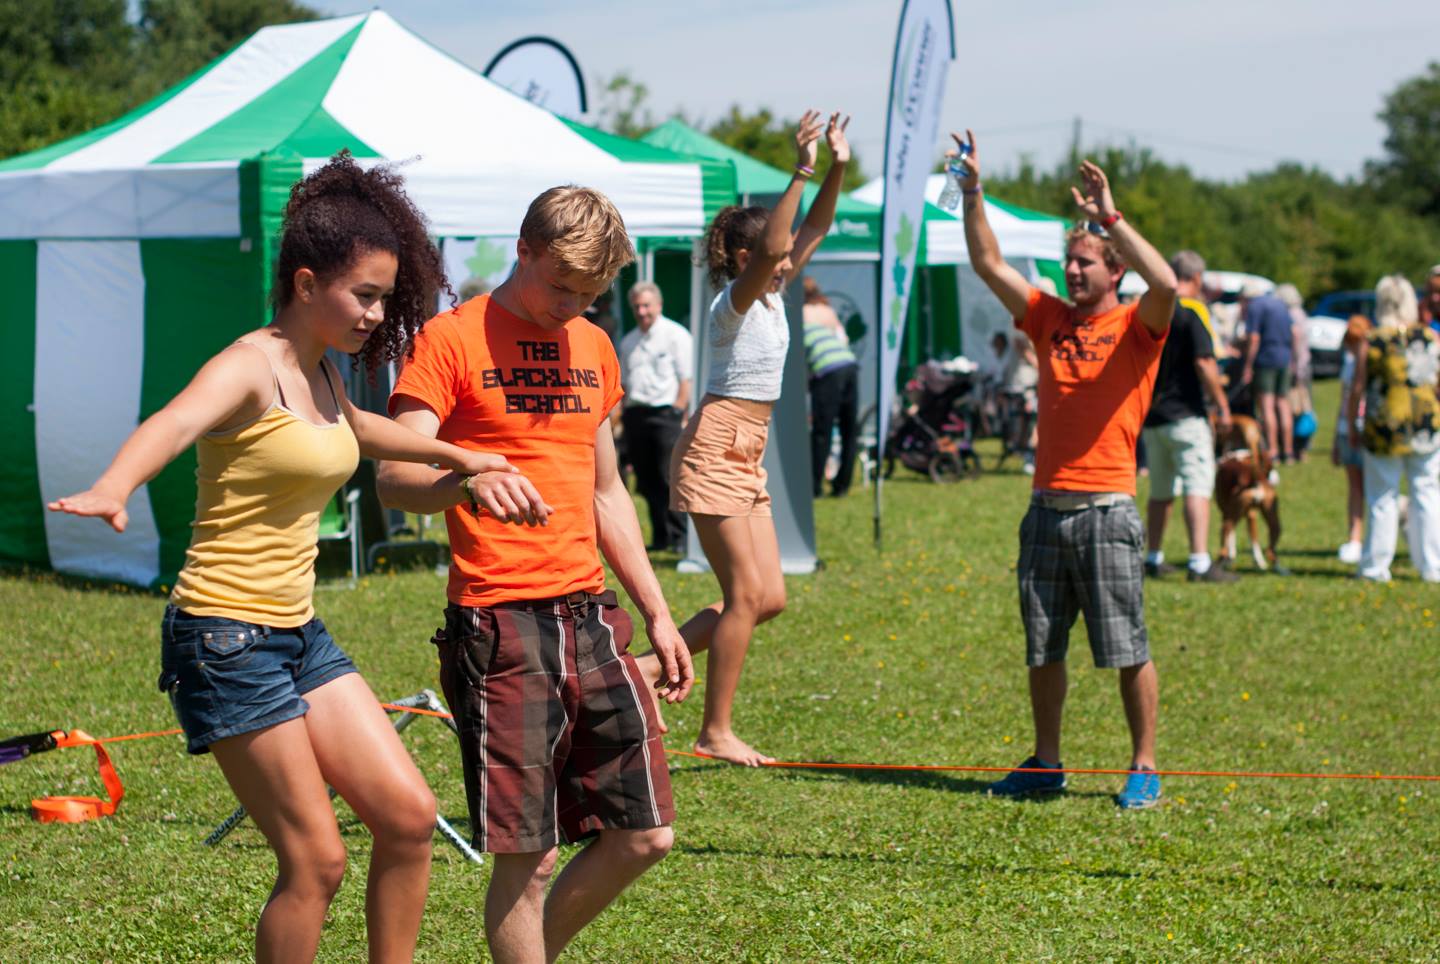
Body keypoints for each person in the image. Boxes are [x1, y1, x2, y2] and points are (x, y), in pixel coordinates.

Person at [47, 153, 527, 962]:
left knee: (410, 822)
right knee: (316, 860)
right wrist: (114, 484)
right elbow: (172, 421)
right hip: (223, 641)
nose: (377, 313)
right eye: (364, 295)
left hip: (297, 633)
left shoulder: (323, 371)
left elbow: (362, 434)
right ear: (307, 285)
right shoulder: (249, 365)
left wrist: (464, 459)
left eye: (384, 296)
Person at [375, 185, 694, 964]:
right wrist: (466, 479)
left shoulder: (594, 346)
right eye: (562, 286)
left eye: (591, 294)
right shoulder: (452, 340)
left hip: (591, 613)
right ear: (523, 249)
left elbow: (608, 491)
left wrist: (655, 611)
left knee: (647, 834)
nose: (573, 306)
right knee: (531, 856)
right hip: (500, 622)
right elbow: (390, 477)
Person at [955, 128, 1176, 810]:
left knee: (1126, 646)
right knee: (1042, 647)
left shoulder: (1141, 327)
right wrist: (973, 192)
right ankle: (1046, 764)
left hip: (1108, 511)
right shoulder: (1048, 319)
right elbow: (989, 261)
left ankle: (1143, 765)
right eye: (1070, 261)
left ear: (1114, 270)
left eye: (1086, 263)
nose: (1073, 271)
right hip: (1045, 509)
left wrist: (1111, 216)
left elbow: (1167, 279)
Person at [636, 110, 850, 766]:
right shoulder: (734, 299)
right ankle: (715, 731)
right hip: (716, 445)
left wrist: (837, 166)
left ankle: (641, 671)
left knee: (769, 598)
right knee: (744, 597)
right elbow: (780, 244)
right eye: (775, 253)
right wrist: (800, 170)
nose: (790, 259)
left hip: (747, 449)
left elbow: (811, 227)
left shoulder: (774, 292)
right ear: (743, 257)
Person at [1142, 250, 1237, 583]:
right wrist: (1222, 405)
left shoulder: (1150, 309)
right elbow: (1204, 362)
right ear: (1196, 279)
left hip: (1153, 415)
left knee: (1160, 491)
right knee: (1197, 485)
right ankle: (1198, 560)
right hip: (1186, 413)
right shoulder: (1192, 311)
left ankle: (1152, 556)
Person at [1345, 274, 1440, 583]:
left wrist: (1350, 423)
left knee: (1382, 497)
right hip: (1425, 425)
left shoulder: (1372, 340)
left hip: (1384, 425)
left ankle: (1375, 566)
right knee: (1427, 493)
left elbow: (1357, 388)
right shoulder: (1428, 337)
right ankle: (1432, 565)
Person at [619, 280, 694, 551]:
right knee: (646, 479)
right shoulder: (629, 342)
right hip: (636, 415)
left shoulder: (676, 335)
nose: (641, 311)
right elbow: (625, 385)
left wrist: (678, 411)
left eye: (646, 305)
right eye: (637, 306)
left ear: (658, 305)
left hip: (666, 415)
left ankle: (680, 537)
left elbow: (686, 378)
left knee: (670, 477)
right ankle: (660, 537)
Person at [802, 275, 860, 497]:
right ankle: (842, 485)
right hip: (849, 365)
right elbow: (842, 339)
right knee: (849, 430)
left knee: (821, 431)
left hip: (827, 371)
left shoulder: (801, 313)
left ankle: (814, 486)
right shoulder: (828, 311)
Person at [1240, 282, 1295, 463]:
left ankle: (1273, 450)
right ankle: (1288, 451)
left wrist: (1247, 366)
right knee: (1283, 404)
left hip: (1266, 359)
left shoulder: (1255, 307)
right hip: (1284, 358)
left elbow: (1254, 338)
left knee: (1267, 405)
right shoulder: (1279, 303)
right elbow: (1294, 332)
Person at [1333, 314, 1371, 564]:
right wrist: (1338, 435)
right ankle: (1355, 537)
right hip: (1348, 429)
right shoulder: (1348, 363)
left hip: (1369, 428)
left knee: (1376, 489)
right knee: (1355, 487)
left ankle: (1374, 541)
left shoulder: (1374, 360)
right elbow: (1344, 398)